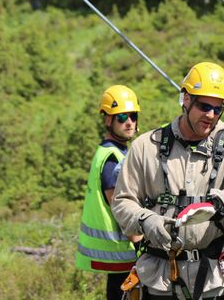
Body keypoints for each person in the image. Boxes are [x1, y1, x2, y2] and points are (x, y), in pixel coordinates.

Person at [111, 62, 224, 300]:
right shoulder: (146, 147)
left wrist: (221, 202)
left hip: (212, 278)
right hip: (158, 279)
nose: (211, 115)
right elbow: (122, 201)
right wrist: (145, 219)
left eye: (218, 108)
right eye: (204, 106)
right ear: (185, 99)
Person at [75, 84, 144, 300]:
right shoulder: (113, 159)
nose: (129, 122)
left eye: (133, 116)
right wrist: (142, 245)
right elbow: (121, 209)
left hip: (117, 257)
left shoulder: (107, 151)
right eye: (122, 116)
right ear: (107, 119)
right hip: (122, 253)